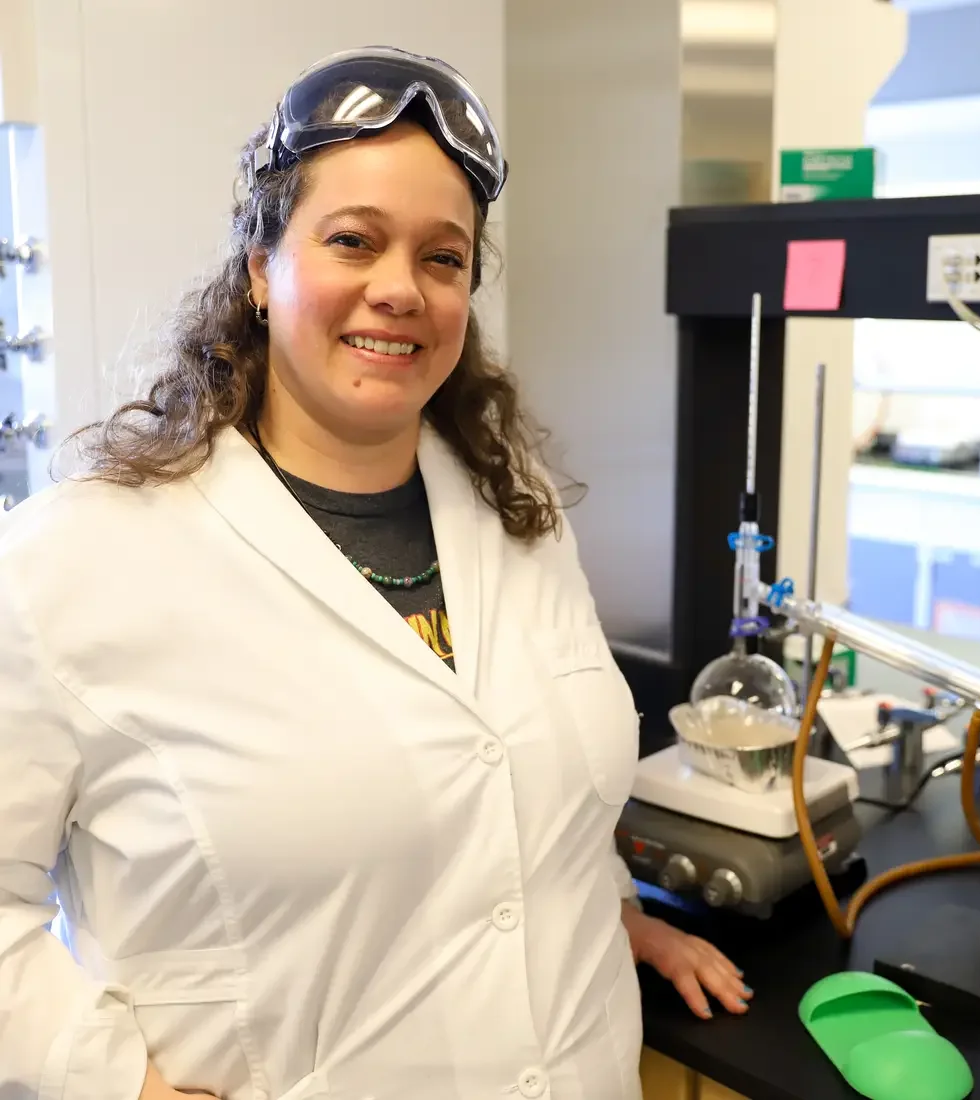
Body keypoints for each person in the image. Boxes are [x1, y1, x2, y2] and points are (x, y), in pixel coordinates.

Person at [0, 46, 751, 1100]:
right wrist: (108, 1080)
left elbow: (515, 787)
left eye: (442, 259)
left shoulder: (515, 507)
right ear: (261, 270)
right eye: (353, 240)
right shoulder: (71, 561)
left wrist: (597, 908)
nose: (399, 288)